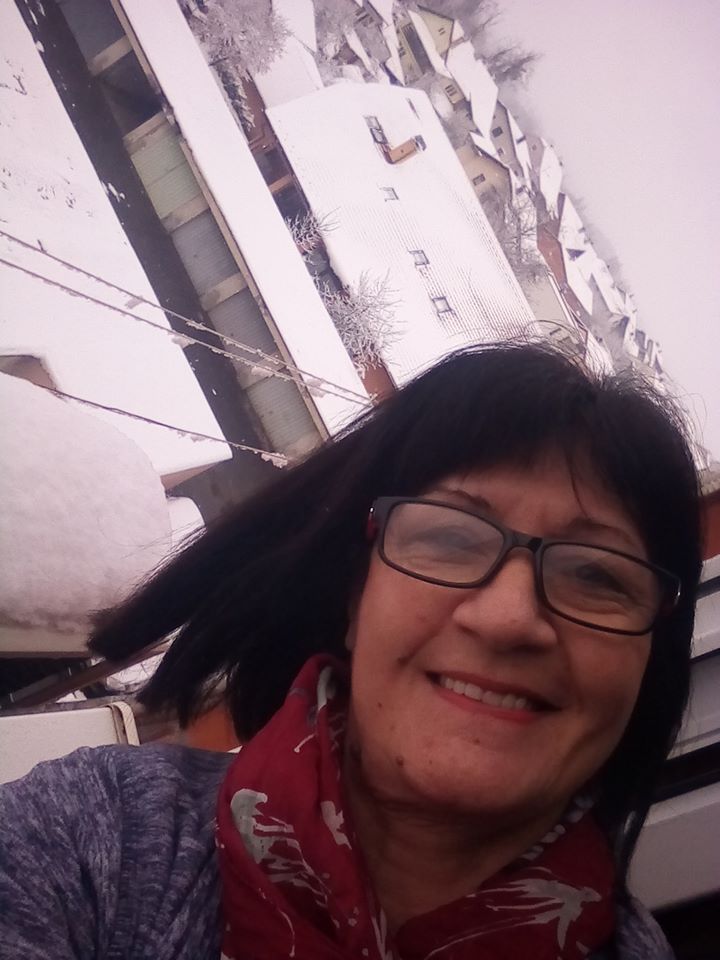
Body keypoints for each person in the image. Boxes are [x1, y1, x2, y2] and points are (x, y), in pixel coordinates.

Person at [0, 342, 702, 960]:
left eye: (595, 576)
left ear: (649, 666)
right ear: (353, 602)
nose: (509, 618)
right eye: (450, 537)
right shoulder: (102, 845)